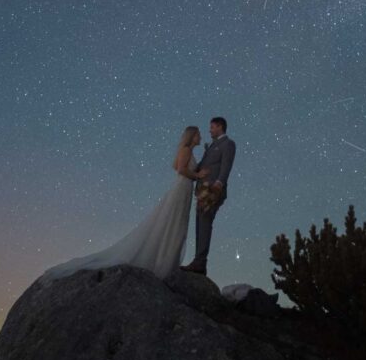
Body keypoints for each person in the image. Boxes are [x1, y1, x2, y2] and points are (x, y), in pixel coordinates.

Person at [41, 125, 207, 282]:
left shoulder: (188, 151)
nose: (200, 137)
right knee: (173, 222)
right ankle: (164, 263)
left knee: (176, 223)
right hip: (181, 188)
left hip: (183, 188)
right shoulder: (185, 150)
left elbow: (175, 166)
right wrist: (198, 176)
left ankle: (167, 260)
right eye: (198, 134)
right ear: (192, 136)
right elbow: (180, 169)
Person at [182, 116, 236, 276]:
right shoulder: (212, 145)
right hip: (202, 190)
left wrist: (219, 183)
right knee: (200, 223)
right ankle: (199, 262)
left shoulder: (228, 144)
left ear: (219, 127)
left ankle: (200, 262)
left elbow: (226, 165)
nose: (209, 130)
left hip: (213, 190)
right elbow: (203, 166)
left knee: (205, 222)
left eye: (212, 127)